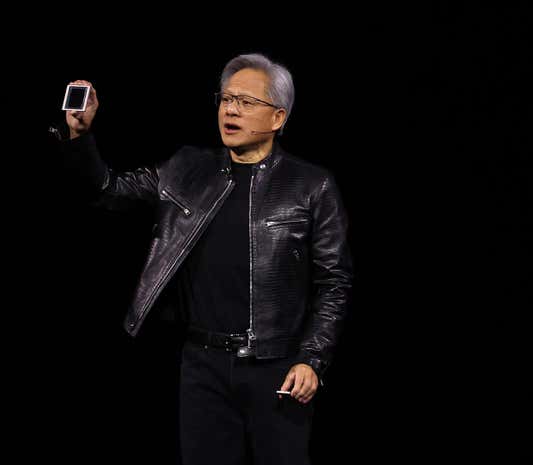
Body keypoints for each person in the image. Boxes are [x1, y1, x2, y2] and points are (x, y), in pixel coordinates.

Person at [57, 53, 353, 465]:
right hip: (203, 366)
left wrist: (312, 360)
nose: (231, 109)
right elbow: (108, 190)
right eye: (226, 98)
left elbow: (334, 282)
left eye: (247, 102)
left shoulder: (310, 185)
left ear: (278, 118)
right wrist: (80, 136)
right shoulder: (188, 168)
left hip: (277, 368)